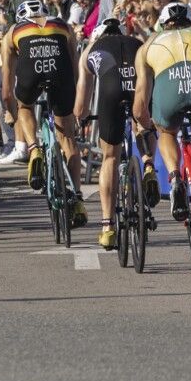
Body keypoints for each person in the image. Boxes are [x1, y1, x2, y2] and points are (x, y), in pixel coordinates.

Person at [1, 0, 87, 227]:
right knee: (68, 140)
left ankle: (34, 149)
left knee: (25, 106)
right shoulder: (62, 25)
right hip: (61, 74)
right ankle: (77, 198)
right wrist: (74, 95)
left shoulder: (12, 31)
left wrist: (11, 113)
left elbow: (6, 89)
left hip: (31, 73)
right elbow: (75, 65)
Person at [74, 17, 157, 249]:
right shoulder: (137, 43)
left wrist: (80, 120)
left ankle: (108, 226)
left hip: (111, 90)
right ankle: (149, 164)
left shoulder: (91, 50)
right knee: (141, 122)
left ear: (98, 35)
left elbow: (81, 106)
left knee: (110, 156)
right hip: (137, 85)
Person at [133, 2, 191, 221]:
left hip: (171, 89)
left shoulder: (148, 44)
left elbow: (140, 104)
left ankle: (174, 178)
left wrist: (147, 125)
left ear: (161, 24)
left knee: (167, 132)